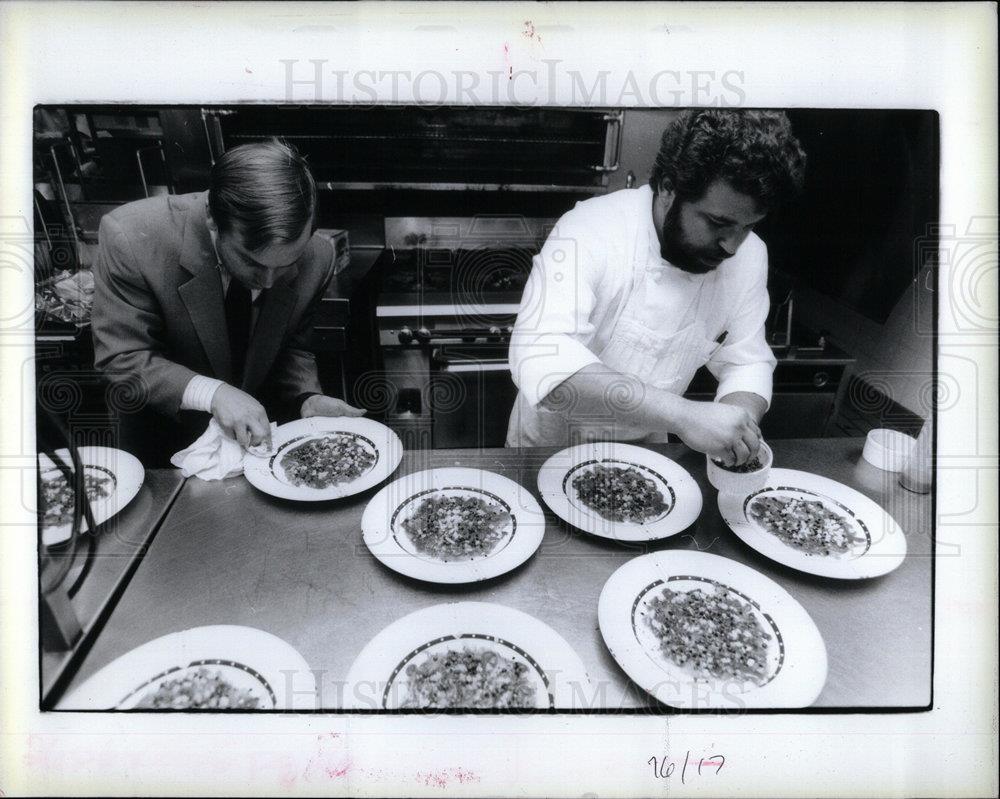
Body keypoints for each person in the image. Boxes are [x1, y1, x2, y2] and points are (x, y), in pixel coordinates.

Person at [506, 109, 807, 466]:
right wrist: (684, 416)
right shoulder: (590, 228)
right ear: (667, 187)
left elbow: (746, 361)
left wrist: (736, 427)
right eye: (717, 223)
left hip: (646, 449)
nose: (732, 246)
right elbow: (541, 357)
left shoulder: (750, 255)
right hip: (550, 445)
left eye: (749, 226)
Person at [91, 139, 364, 466]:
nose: (267, 282)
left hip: (256, 445)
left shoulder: (317, 258)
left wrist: (307, 398)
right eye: (252, 262)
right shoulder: (131, 237)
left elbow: (292, 347)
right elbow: (122, 358)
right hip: (162, 446)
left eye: (284, 265)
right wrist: (214, 393)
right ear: (212, 218)